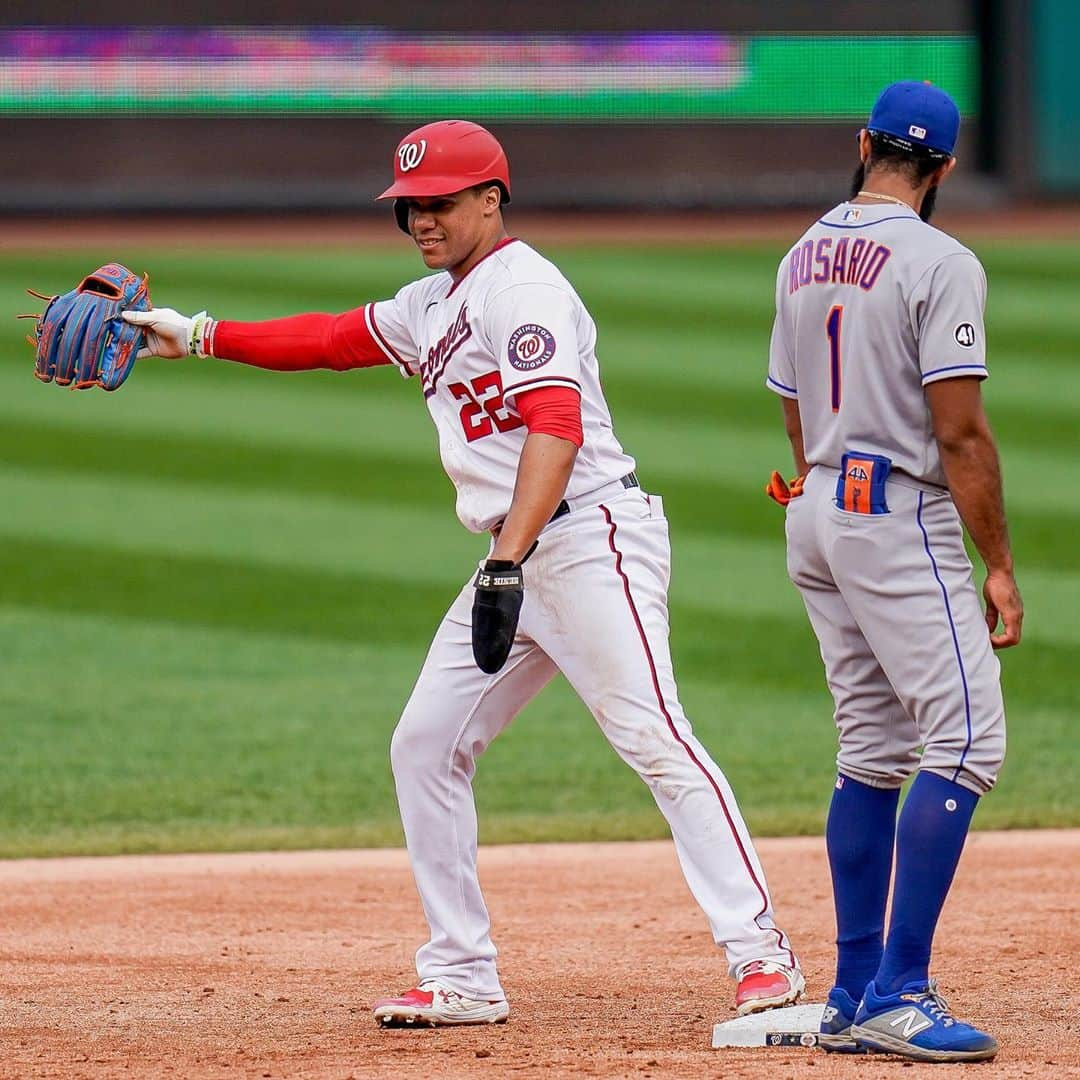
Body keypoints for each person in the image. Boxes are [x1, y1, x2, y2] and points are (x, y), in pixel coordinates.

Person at [126, 119, 802, 1027]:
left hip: (589, 540)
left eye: (440, 203)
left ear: (492, 197)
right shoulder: (433, 303)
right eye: (409, 208)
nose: (422, 222)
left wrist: (508, 559)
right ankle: (463, 973)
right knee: (425, 744)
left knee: (655, 739)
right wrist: (199, 334)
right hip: (518, 553)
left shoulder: (524, 290)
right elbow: (330, 337)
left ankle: (763, 959)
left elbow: (555, 429)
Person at [765, 82, 1021, 1063]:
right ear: (946, 169)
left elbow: (792, 407)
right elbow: (959, 432)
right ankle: (900, 990)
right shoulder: (942, 260)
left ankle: (849, 989)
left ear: (863, 143)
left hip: (819, 509)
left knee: (872, 750)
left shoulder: (801, 254)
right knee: (964, 742)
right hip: (892, 516)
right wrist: (997, 563)